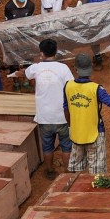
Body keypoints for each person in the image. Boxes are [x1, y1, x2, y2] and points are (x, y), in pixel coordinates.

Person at [23, 39, 75, 178]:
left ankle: (50, 171)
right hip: (62, 117)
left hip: (44, 117)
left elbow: (25, 73)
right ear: (56, 51)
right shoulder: (63, 69)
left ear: (41, 53)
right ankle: (68, 173)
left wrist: (16, 74)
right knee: (66, 146)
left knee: (47, 146)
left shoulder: (36, 68)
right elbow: (71, 87)